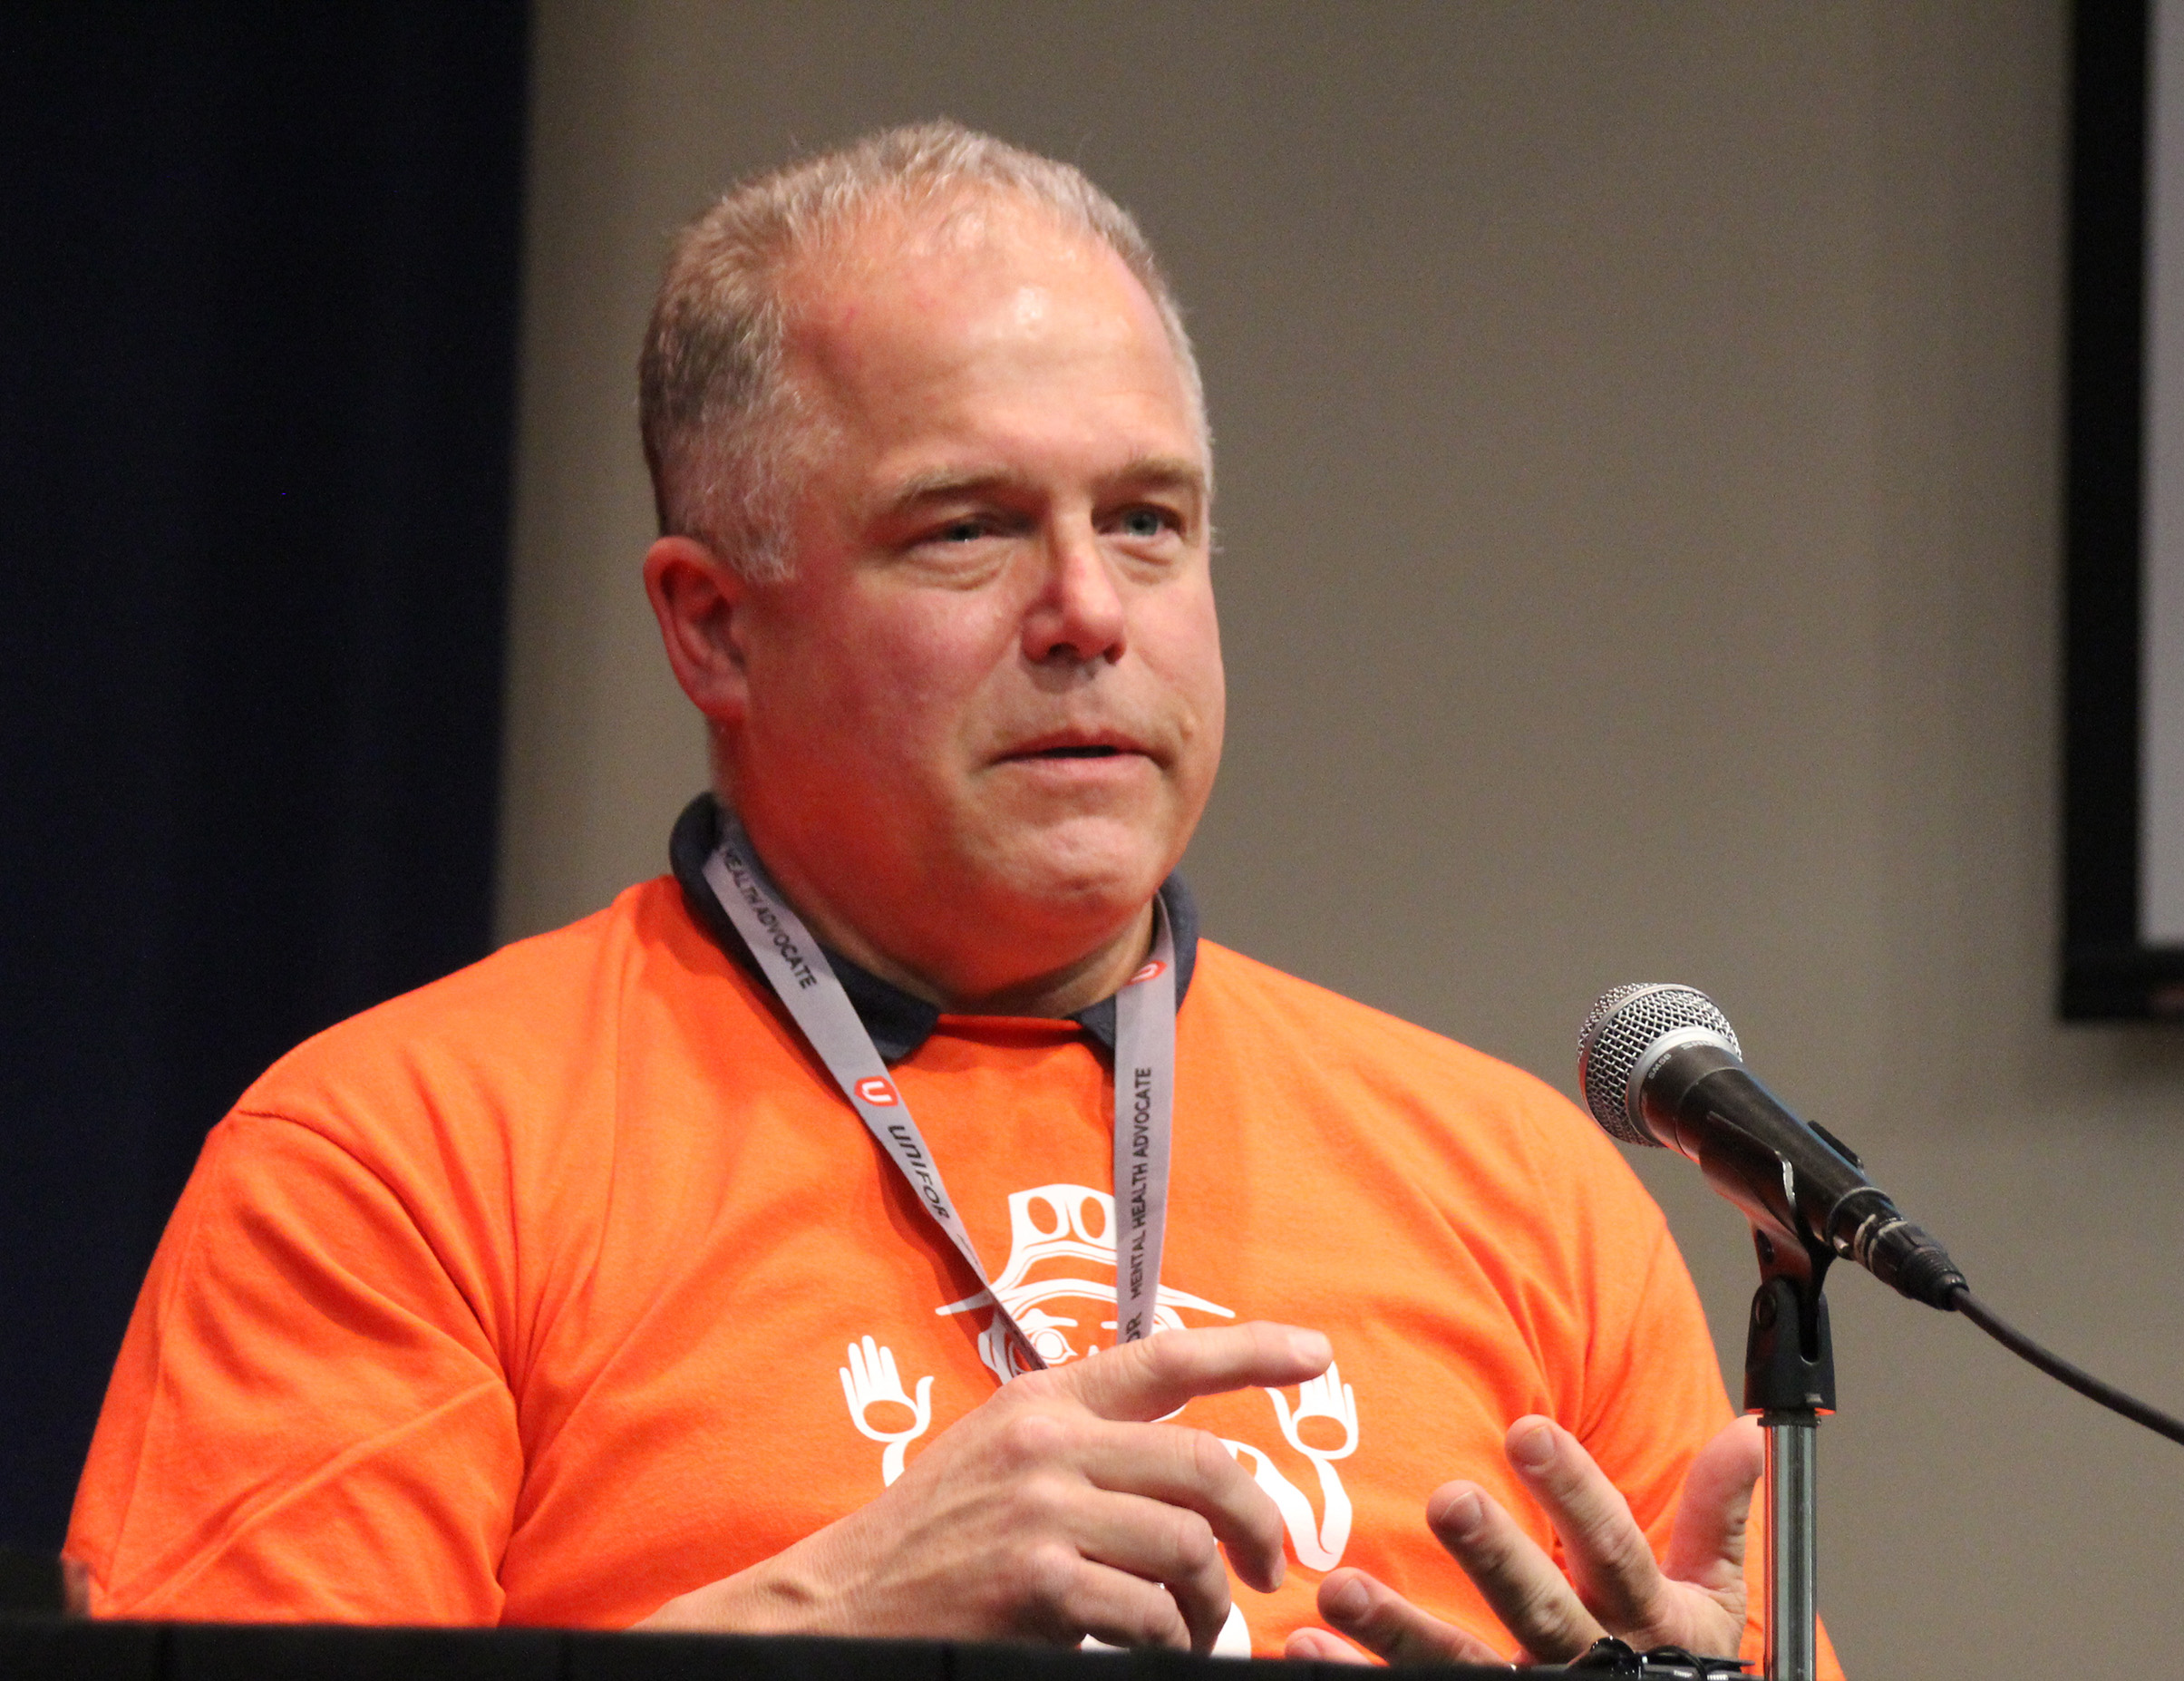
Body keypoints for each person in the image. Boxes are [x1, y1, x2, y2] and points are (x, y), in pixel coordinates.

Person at [66, 122, 1839, 1672]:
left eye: (1146, 520)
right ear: (711, 625)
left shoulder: (1517, 1186)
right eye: (963, 528)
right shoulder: (397, 1160)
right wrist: (819, 1631)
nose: (1088, 612)